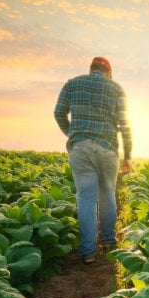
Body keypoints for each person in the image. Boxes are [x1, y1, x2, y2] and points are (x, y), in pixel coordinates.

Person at [54, 56, 133, 264]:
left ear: (91, 70)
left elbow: (58, 112)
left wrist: (72, 133)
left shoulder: (72, 83)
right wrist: (128, 155)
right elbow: (124, 124)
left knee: (86, 198)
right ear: (108, 72)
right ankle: (108, 241)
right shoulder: (116, 88)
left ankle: (88, 252)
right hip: (107, 148)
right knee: (108, 195)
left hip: (80, 148)